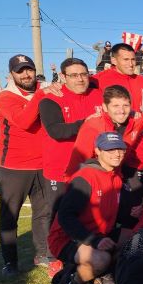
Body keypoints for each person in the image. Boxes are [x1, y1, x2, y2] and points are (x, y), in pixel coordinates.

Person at [0, 54, 60, 276]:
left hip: (44, 165)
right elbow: (23, 122)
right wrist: (42, 94)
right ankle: (10, 262)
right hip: (14, 167)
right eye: (20, 70)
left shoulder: (47, 90)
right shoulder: (6, 96)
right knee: (9, 215)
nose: (26, 74)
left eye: (29, 69)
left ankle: (43, 254)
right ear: (12, 74)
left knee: (43, 213)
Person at [48, 132, 125, 284]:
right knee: (101, 259)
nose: (117, 153)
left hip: (98, 234)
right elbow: (66, 217)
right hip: (67, 237)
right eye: (110, 149)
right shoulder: (85, 177)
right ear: (98, 151)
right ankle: (74, 282)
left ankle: (97, 274)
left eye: (120, 148)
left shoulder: (116, 178)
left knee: (136, 239)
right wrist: (94, 240)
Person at [39, 58, 103, 247]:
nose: (80, 79)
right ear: (63, 77)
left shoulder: (99, 95)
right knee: (58, 214)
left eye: (84, 74)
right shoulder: (51, 99)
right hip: (61, 169)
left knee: (90, 212)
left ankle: (86, 250)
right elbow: (56, 131)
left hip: (92, 168)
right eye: (74, 75)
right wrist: (86, 123)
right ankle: (54, 255)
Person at [93, 43, 143, 111]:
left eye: (133, 59)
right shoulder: (97, 80)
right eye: (126, 59)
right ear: (114, 61)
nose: (130, 64)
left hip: (141, 121)